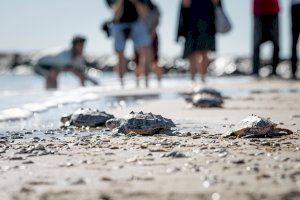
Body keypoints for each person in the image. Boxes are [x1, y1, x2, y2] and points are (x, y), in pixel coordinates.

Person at [106, 0, 151, 87]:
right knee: (120, 53)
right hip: (119, 24)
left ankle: (146, 81)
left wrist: (136, 2)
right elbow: (116, 15)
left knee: (145, 50)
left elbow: (144, 14)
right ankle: (121, 83)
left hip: (136, 22)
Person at [32, 35, 99, 89]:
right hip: (39, 64)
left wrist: (86, 89)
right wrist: (92, 81)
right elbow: (75, 72)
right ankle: (48, 97)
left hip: (54, 66)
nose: (81, 48)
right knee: (53, 74)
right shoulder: (65, 56)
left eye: (83, 46)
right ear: (73, 46)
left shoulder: (79, 58)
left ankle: (54, 95)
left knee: (54, 73)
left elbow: (82, 74)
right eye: (79, 46)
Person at [177, 0, 219, 83]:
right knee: (196, 52)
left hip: (203, 20)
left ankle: (199, 78)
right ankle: (198, 78)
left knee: (200, 52)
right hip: (196, 20)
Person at [134, 0, 162, 86]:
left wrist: (152, 33)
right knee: (138, 61)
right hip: (139, 37)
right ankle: (138, 83)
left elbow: (157, 21)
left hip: (152, 36)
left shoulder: (154, 7)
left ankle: (158, 81)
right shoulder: (137, 5)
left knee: (154, 60)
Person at [252, 0, 280, 77]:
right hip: (259, 9)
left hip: (273, 8)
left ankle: (274, 70)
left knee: (276, 43)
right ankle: (255, 71)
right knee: (256, 43)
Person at [291, 0, 300, 80]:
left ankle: (293, 72)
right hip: (295, 5)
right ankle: (293, 72)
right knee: (294, 41)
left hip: (295, 5)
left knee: (294, 42)